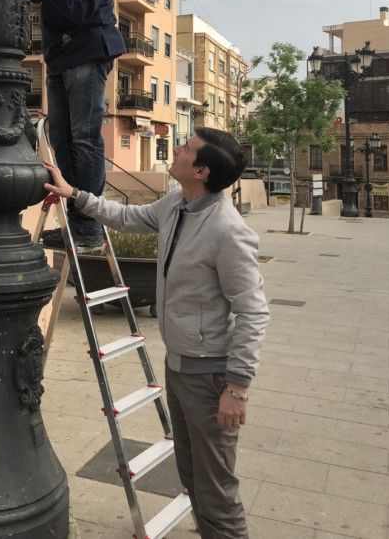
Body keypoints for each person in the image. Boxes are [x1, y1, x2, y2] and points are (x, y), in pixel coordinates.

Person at [43, 128, 269, 539]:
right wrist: (73, 194)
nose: (177, 148)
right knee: (190, 476)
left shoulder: (227, 230)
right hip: (179, 366)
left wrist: (237, 388)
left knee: (216, 491)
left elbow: (253, 312)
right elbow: (126, 217)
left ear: (200, 170)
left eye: (186, 147)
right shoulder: (177, 205)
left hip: (211, 375)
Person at [23, 0, 125, 249]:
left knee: (84, 138)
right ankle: (74, 222)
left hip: (88, 48)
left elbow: (82, 8)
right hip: (59, 53)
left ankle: (89, 227)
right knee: (61, 139)